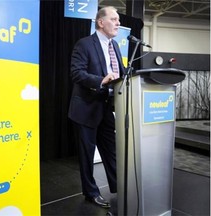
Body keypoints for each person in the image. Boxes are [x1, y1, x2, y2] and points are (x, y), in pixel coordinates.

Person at [68, 6, 126, 208]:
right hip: (85, 108)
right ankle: (90, 192)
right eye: (114, 19)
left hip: (107, 107)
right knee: (87, 154)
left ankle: (119, 186)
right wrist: (101, 80)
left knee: (111, 151)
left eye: (118, 19)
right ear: (101, 22)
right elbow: (76, 73)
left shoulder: (115, 46)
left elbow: (121, 72)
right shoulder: (84, 44)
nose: (118, 23)